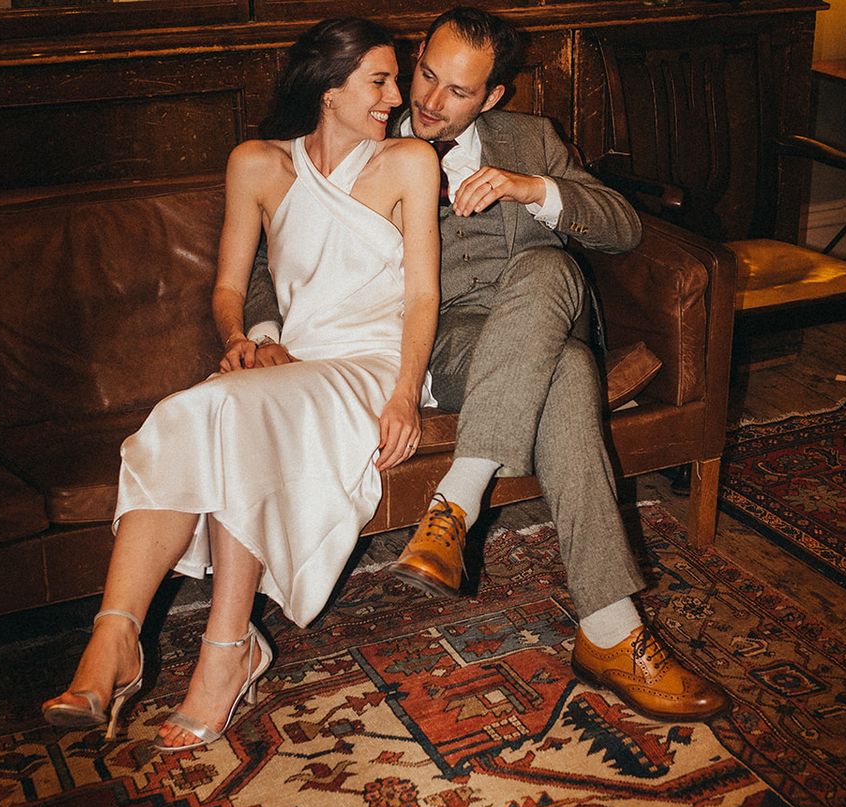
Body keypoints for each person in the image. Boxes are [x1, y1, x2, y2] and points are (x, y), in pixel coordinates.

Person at [245, 7, 727, 723]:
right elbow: (273, 249)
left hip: (539, 309)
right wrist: (263, 329)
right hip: (443, 345)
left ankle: (458, 508)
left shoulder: (530, 139)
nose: (430, 103)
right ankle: (610, 633)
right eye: (426, 76)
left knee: (545, 269)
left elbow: (623, 227)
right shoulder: (365, 136)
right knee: (567, 372)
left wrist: (533, 189)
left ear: (494, 96)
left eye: (459, 91)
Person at [41, 18, 441, 750]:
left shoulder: (411, 161)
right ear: (328, 86)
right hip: (293, 361)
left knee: (224, 411)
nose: (395, 97)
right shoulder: (256, 164)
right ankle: (121, 635)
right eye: (379, 81)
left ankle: (219, 654)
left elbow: (421, 299)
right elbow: (229, 289)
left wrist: (407, 391)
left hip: (369, 368)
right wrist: (240, 341)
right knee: (196, 411)